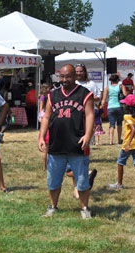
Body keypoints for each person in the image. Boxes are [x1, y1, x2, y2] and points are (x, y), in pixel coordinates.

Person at [38, 64, 95, 219]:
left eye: (68, 76)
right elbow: (47, 117)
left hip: (78, 144)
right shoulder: (53, 95)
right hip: (57, 144)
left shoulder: (85, 94)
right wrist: (42, 136)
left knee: (82, 180)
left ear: (75, 77)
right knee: (53, 180)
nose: (64, 80)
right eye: (62, 77)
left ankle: (84, 209)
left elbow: (90, 116)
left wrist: (88, 135)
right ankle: (53, 206)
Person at [101, 74, 128, 145]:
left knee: (111, 124)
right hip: (119, 106)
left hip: (110, 107)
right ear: (118, 80)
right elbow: (125, 95)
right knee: (119, 123)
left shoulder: (107, 88)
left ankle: (111, 141)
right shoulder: (121, 86)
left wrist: (101, 106)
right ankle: (119, 140)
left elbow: (104, 99)